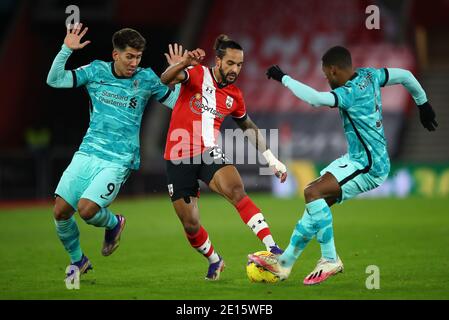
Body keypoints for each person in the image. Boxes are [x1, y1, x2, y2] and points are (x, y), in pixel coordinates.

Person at [249, 45, 438, 285]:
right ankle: (284, 264)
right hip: (357, 159)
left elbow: (316, 99)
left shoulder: (348, 92)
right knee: (315, 206)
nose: (327, 80)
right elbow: (407, 76)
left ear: (334, 70)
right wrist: (423, 103)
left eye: (326, 75)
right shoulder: (371, 75)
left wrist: (283, 78)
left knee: (312, 192)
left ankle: (330, 259)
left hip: (368, 165)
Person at [47, 24, 179, 280]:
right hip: (88, 152)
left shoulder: (147, 78)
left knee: (86, 211)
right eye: (130, 56)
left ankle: (114, 223)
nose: (134, 62)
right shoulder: (96, 70)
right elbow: (54, 80)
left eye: (138, 57)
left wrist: (181, 74)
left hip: (119, 159)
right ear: (116, 54)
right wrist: (66, 50)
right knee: (60, 212)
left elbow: (177, 104)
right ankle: (79, 261)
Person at [160, 36, 288, 280]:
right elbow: (165, 79)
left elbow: (248, 125)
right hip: (178, 156)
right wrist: (184, 63)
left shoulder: (234, 95)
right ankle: (214, 259)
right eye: (230, 63)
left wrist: (271, 158)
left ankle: (273, 248)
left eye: (239, 65)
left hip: (208, 151)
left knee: (236, 190)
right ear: (218, 60)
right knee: (191, 224)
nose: (235, 70)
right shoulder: (196, 73)